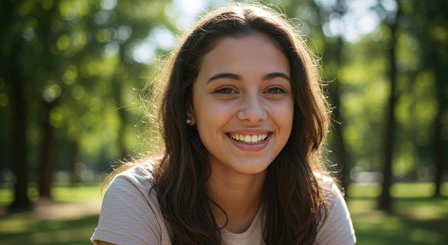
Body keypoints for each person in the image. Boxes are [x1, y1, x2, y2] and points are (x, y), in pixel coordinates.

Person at [91, 3, 355, 245]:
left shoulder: (321, 203)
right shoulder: (138, 199)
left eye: (274, 90)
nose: (253, 113)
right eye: (227, 89)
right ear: (188, 106)